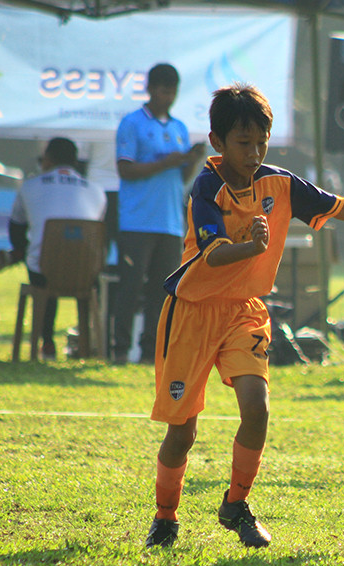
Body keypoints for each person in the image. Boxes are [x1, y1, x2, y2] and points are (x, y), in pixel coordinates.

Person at [145, 84, 344, 548]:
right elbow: (213, 255)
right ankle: (166, 518)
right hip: (192, 313)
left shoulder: (280, 183)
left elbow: (335, 206)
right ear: (218, 143)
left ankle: (236, 503)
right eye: (244, 142)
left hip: (245, 311)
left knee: (257, 408)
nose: (255, 151)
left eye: (262, 141)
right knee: (182, 432)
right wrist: (253, 246)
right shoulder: (207, 187)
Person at [111, 63, 205, 365]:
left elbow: (181, 177)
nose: (169, 97)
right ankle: (120, 349)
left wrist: (191, 160)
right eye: (164, 91)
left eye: (173, 92)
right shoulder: (132, 123)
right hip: (137, 220)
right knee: (130, 285)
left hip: (170, 222)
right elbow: (125, 169)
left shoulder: (178, 128)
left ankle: (151, 351)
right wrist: (167, 162)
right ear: (151, 89)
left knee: (162, 291)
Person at [4, 137, 107, 360]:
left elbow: (15, 228)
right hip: (85, 272)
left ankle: (47, 342)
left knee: (44, 261)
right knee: (65, 258)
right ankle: (87, 344)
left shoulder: (30, 187)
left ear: (47, 160)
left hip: (44, 272)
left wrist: (19, 251)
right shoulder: (96, 191)